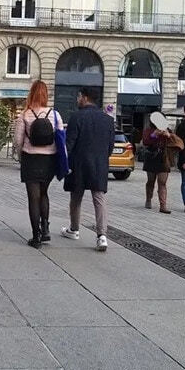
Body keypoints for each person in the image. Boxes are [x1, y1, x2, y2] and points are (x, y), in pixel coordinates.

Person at [60, 88, 115, 252]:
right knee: (99, 198)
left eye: (78, 96)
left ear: (84, 98)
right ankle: (102, 236)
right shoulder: (107, 120)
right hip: (99, 164)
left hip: (79, 164)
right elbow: (110, 146)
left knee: (76, 197)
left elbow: (69, 143)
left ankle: (74, 229)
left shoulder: (77, 117)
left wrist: (64, 163)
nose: (77, 99)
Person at [13, 80, 64, 248]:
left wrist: (21, 155)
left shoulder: (25, 115)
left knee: (33, 198)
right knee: (44, 194)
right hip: (49, 159)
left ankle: (36, 236)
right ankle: (46, 228)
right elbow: (60, 139)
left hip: (31, 158)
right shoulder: (54, 114)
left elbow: (18, 140)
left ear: (31, 93)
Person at [142, 124, 174, 214]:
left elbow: (174, 142)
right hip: (151, 157)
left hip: (163, 158)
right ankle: (148, 199)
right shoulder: (148, 130)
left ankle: (163, 205)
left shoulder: (167, 130)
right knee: (151, 180)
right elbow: (145, 142)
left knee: (162, 182)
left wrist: (169, 135)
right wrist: (154, 135)